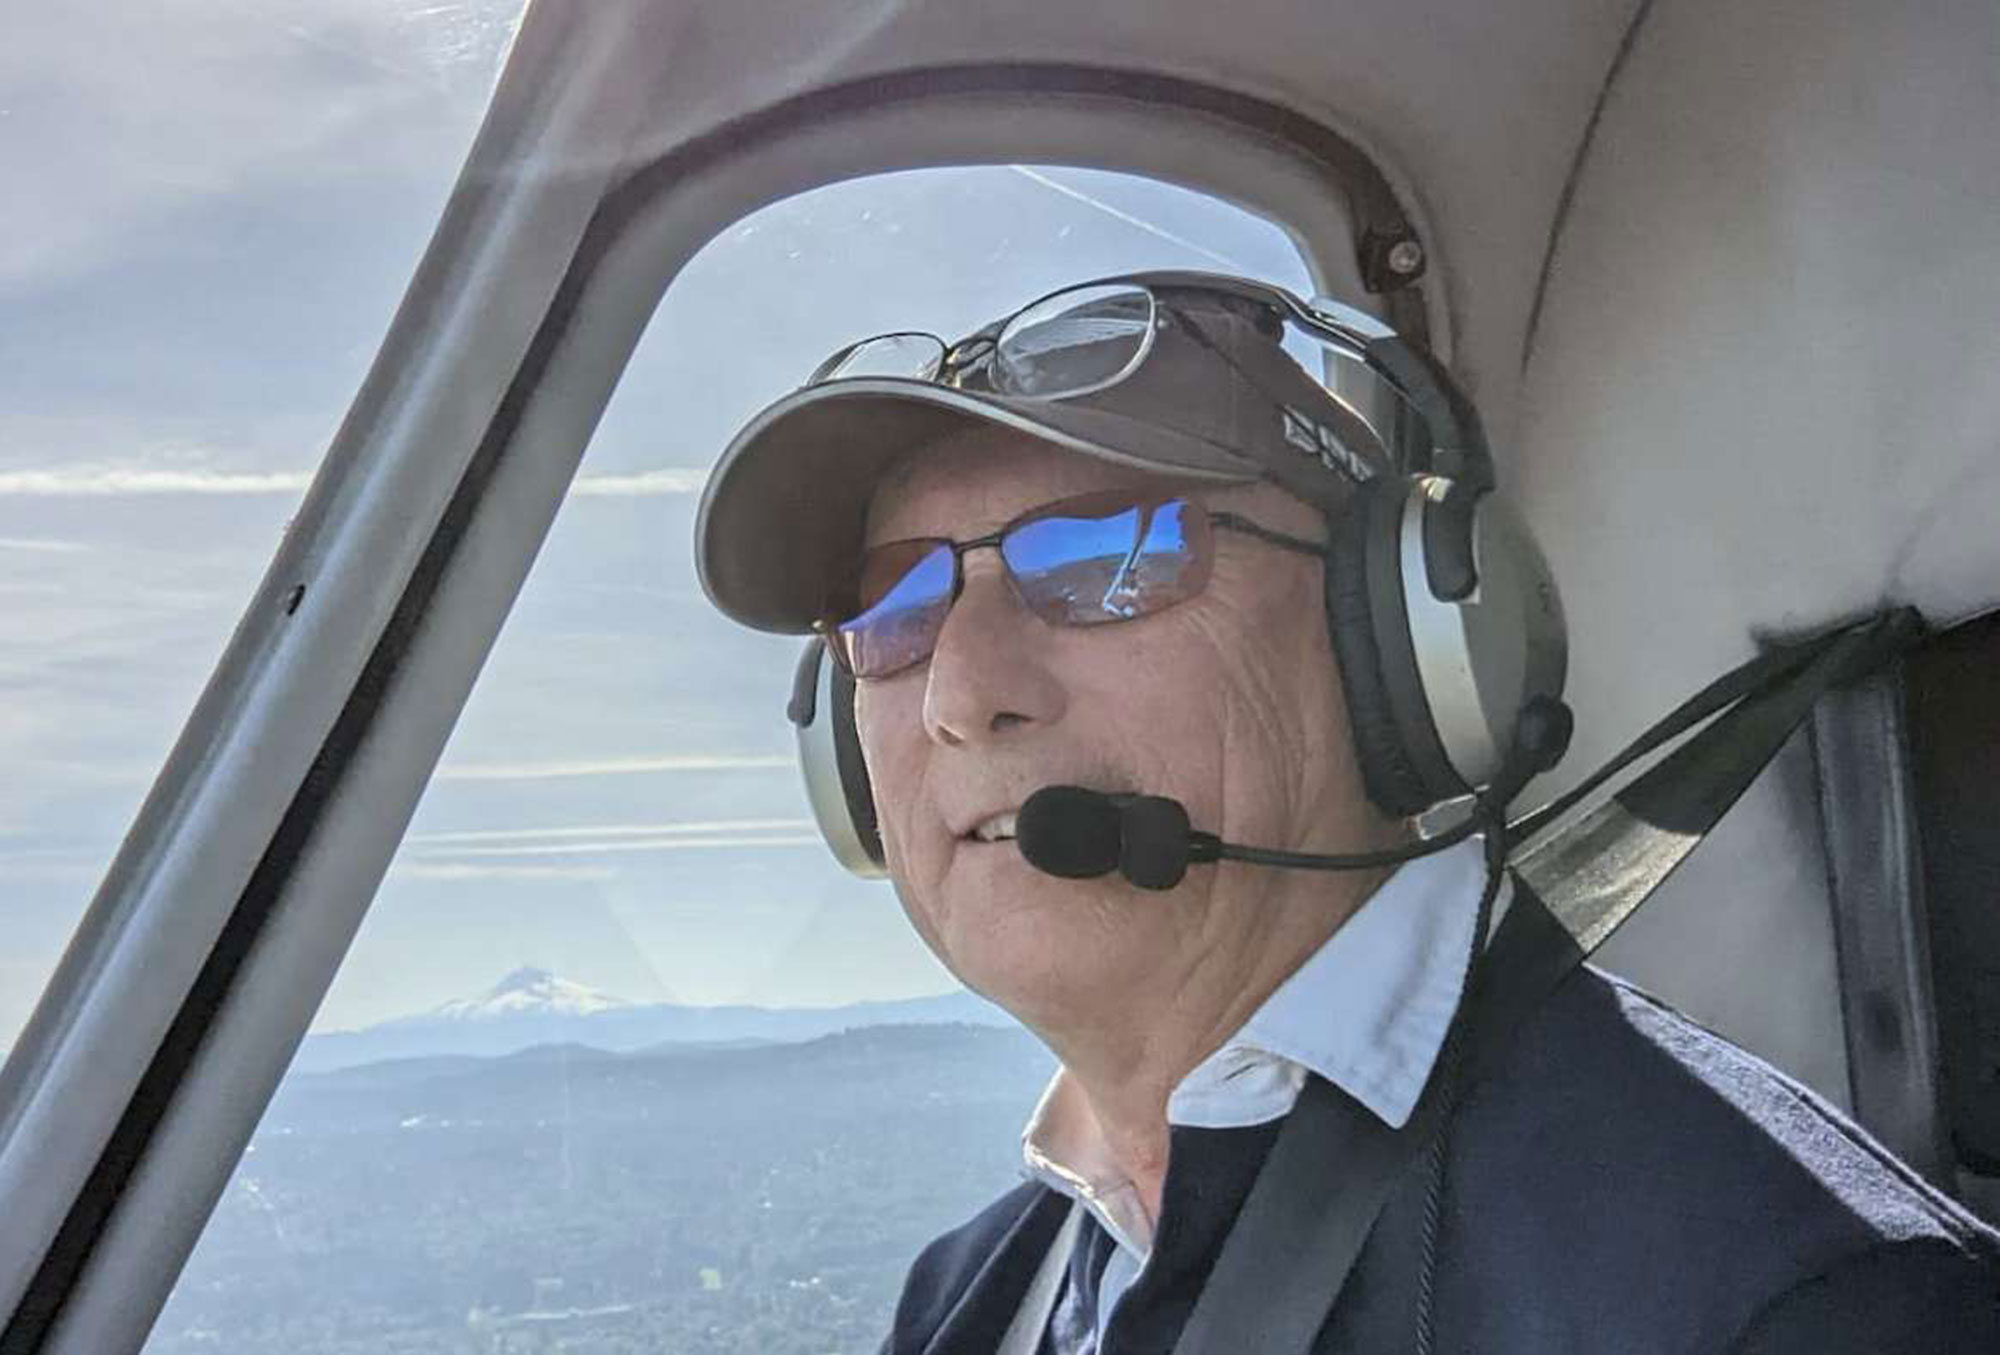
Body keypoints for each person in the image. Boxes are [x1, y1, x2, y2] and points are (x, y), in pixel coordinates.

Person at [693, 272, 2000, 1352]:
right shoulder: (970, 1301)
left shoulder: (1796, 1302)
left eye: (1106, 556)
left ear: (1401, 640)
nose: (960, 696)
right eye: (894, 610)